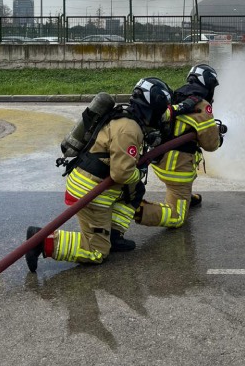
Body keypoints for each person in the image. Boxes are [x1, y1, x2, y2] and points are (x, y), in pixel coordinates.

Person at [26, 77, 173, 270]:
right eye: (160, 111)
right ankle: (42, 242)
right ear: (152, 108)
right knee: (96, 252)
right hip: (91, 194)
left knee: (136, 190)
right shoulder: (129, 129)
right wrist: (138, 172)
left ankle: (113, 235)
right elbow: (121, 174)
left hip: (89, 185)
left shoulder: (126, 118)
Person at [135, 63, 222, 228]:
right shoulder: (202, 106)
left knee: (180, 187)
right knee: (177, 217)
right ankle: (135, 210)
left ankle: (185, 197)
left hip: (161, 161)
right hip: (177, 168)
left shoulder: (177, 95)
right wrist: (218, 136)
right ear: (209, 85)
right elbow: (211, 144)